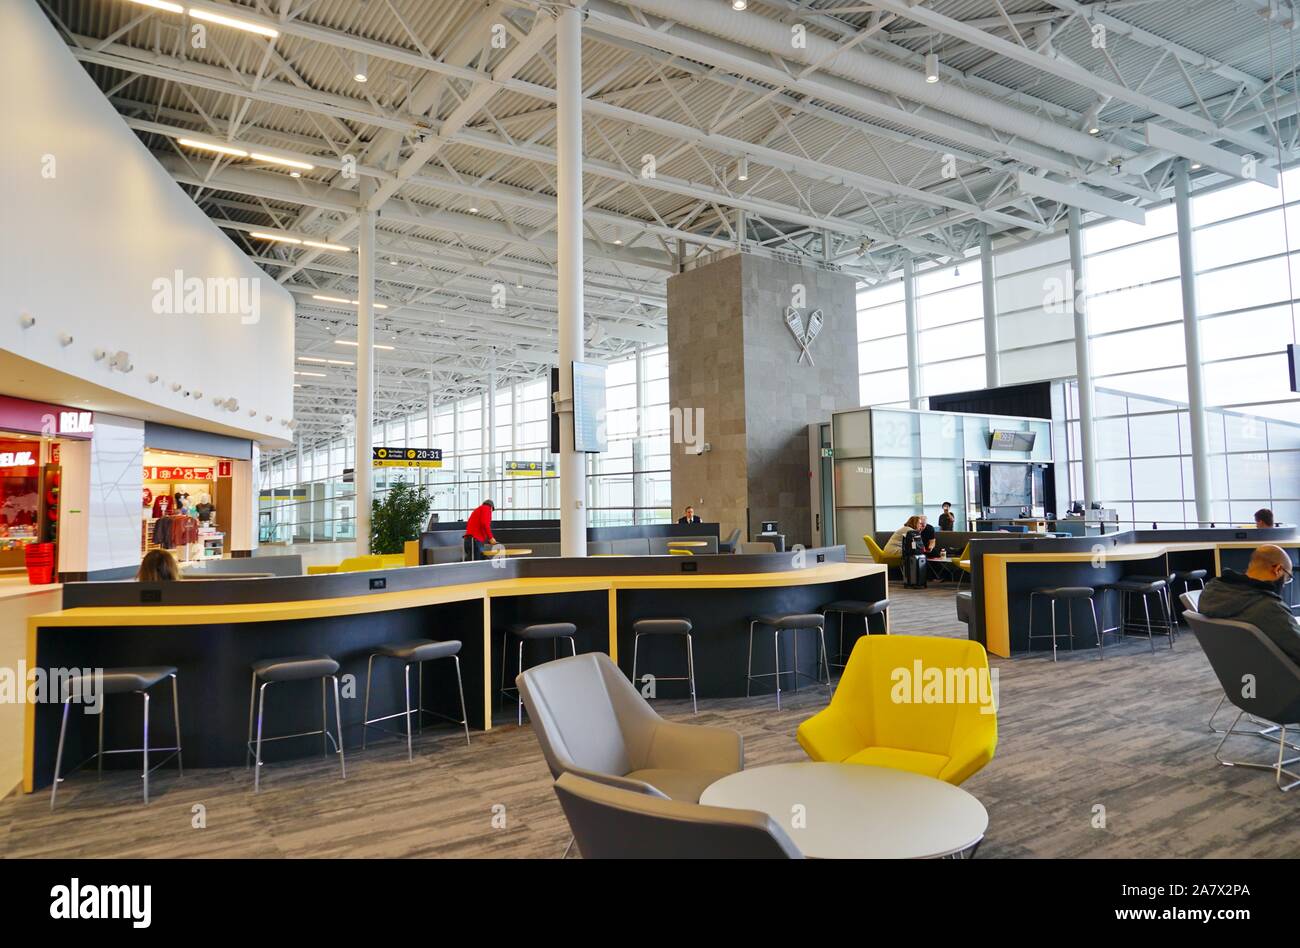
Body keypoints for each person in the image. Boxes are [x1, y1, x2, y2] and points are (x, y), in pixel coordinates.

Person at [1198, 544, 1300, 667]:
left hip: (1240, 670)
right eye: (1286, 578)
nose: (1283, 585)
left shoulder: (1212, 590)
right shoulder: (1267, 607)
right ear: (1277, 569)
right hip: (1281, 675)